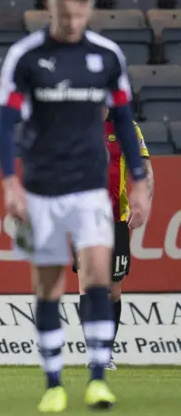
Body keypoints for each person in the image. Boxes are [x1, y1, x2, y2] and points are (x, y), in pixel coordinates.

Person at [0, 0, 151, 412]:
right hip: (42, 187)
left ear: (89, 10)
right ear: (51, 6)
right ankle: (53, 384)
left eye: (78, 16)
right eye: (64, 16)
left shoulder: (107, 55)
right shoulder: (25, 56)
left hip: (90, 188)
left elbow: (123, 119)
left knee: (99, 278)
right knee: (48, 286)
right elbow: (5, 124)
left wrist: (138, 182)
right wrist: (10, 183)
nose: (70, 24)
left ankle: (98, 379)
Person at [72, 107, 154, 371]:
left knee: (113, 289)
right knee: (88, 284)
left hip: (117, 218)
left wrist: (142, 203)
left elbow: (145, 169)